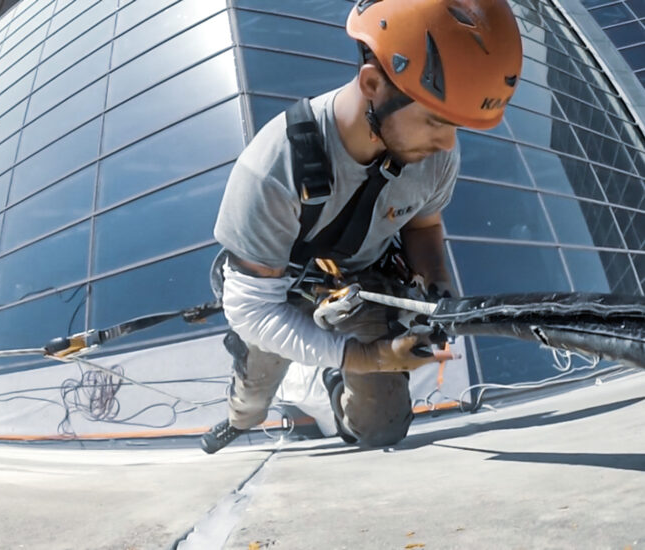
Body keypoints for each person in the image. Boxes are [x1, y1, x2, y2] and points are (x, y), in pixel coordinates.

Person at [201, 0, 523, 454]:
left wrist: (436, 290)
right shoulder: (272, 167)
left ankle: (332, 378)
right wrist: (368, 357)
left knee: (381, 429)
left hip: (359, 285)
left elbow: (423, 226)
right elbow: (254, 311)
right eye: (436, 120)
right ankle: (241, 416)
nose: (448, 144)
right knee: (255, 389)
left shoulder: (436, 155)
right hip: (280, 290)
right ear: (373, 85)